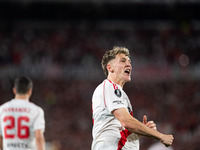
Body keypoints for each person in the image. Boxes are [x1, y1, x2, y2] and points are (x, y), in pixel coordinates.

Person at [91, 47, 174, 150]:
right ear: (110, 68)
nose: (128, 64)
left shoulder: (121, 95)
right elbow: (127, 121)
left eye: (129, 61)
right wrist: (160, 136)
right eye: (122, 61)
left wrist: (143, 131)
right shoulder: (109, 87)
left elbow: (122, 134)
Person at [0, 76, 45, 150]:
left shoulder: (2, 110)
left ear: (14, 90)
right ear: (30, 91)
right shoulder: (36, 111)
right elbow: (39, 138)